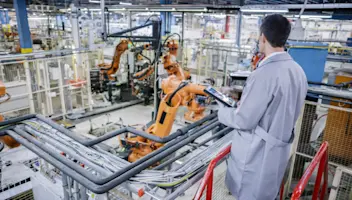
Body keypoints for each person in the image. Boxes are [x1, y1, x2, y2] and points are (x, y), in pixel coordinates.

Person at [218, 14, 307, 200]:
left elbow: (244, 120)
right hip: (280, 148)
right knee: (269, 191)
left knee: (251, 193)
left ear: (263, 37)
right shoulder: (298, 71)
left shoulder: (263, 73)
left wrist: (222, 111)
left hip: (257, 155)